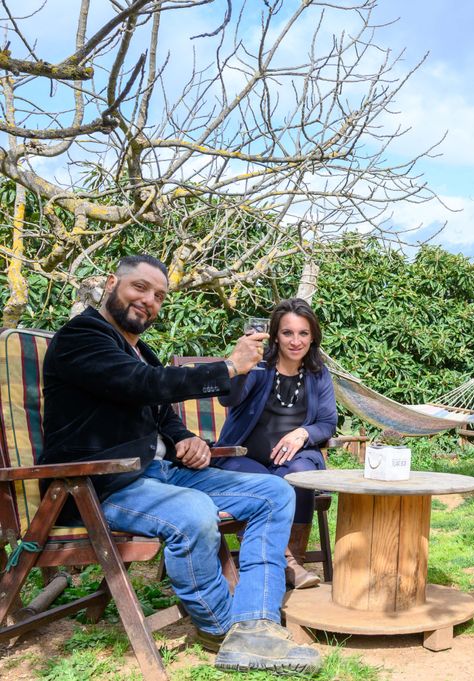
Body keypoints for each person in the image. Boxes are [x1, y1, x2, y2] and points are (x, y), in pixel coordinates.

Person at [40, 254, 321, 674]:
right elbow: (142, 385)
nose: (149, 301)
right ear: (111, 283)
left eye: (158, 296)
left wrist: (183, 437)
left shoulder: (140, 350)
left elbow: (159, 408)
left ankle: (257, 622)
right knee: (194, 512)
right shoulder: (82, 337)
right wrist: (229, 367)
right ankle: (223, 629)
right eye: (140, 288)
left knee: (274, 492)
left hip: (158, 474)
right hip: (98, 485)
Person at [215, 298, 338, 589]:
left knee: (299, 477)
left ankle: (290, 559)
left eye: (303, 333)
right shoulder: (258, 368)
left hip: (294, 459)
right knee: (266, 486)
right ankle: (288, 564)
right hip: (243, 456)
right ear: (275, 335)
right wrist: (239, 366)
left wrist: (303, 434)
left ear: (313, 337)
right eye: (287, 333)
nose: (296, 341)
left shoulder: (318, 374)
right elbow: (227, 399)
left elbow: (327, 423)